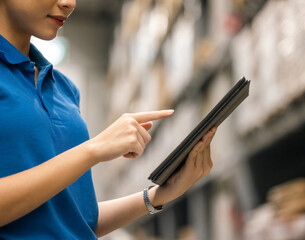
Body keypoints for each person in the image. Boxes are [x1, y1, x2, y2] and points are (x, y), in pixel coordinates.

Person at [0, 0, 217, 239]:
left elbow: (77, 219)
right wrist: (93, 150)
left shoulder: (63, 89)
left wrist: (158, 195)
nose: (69, 3)